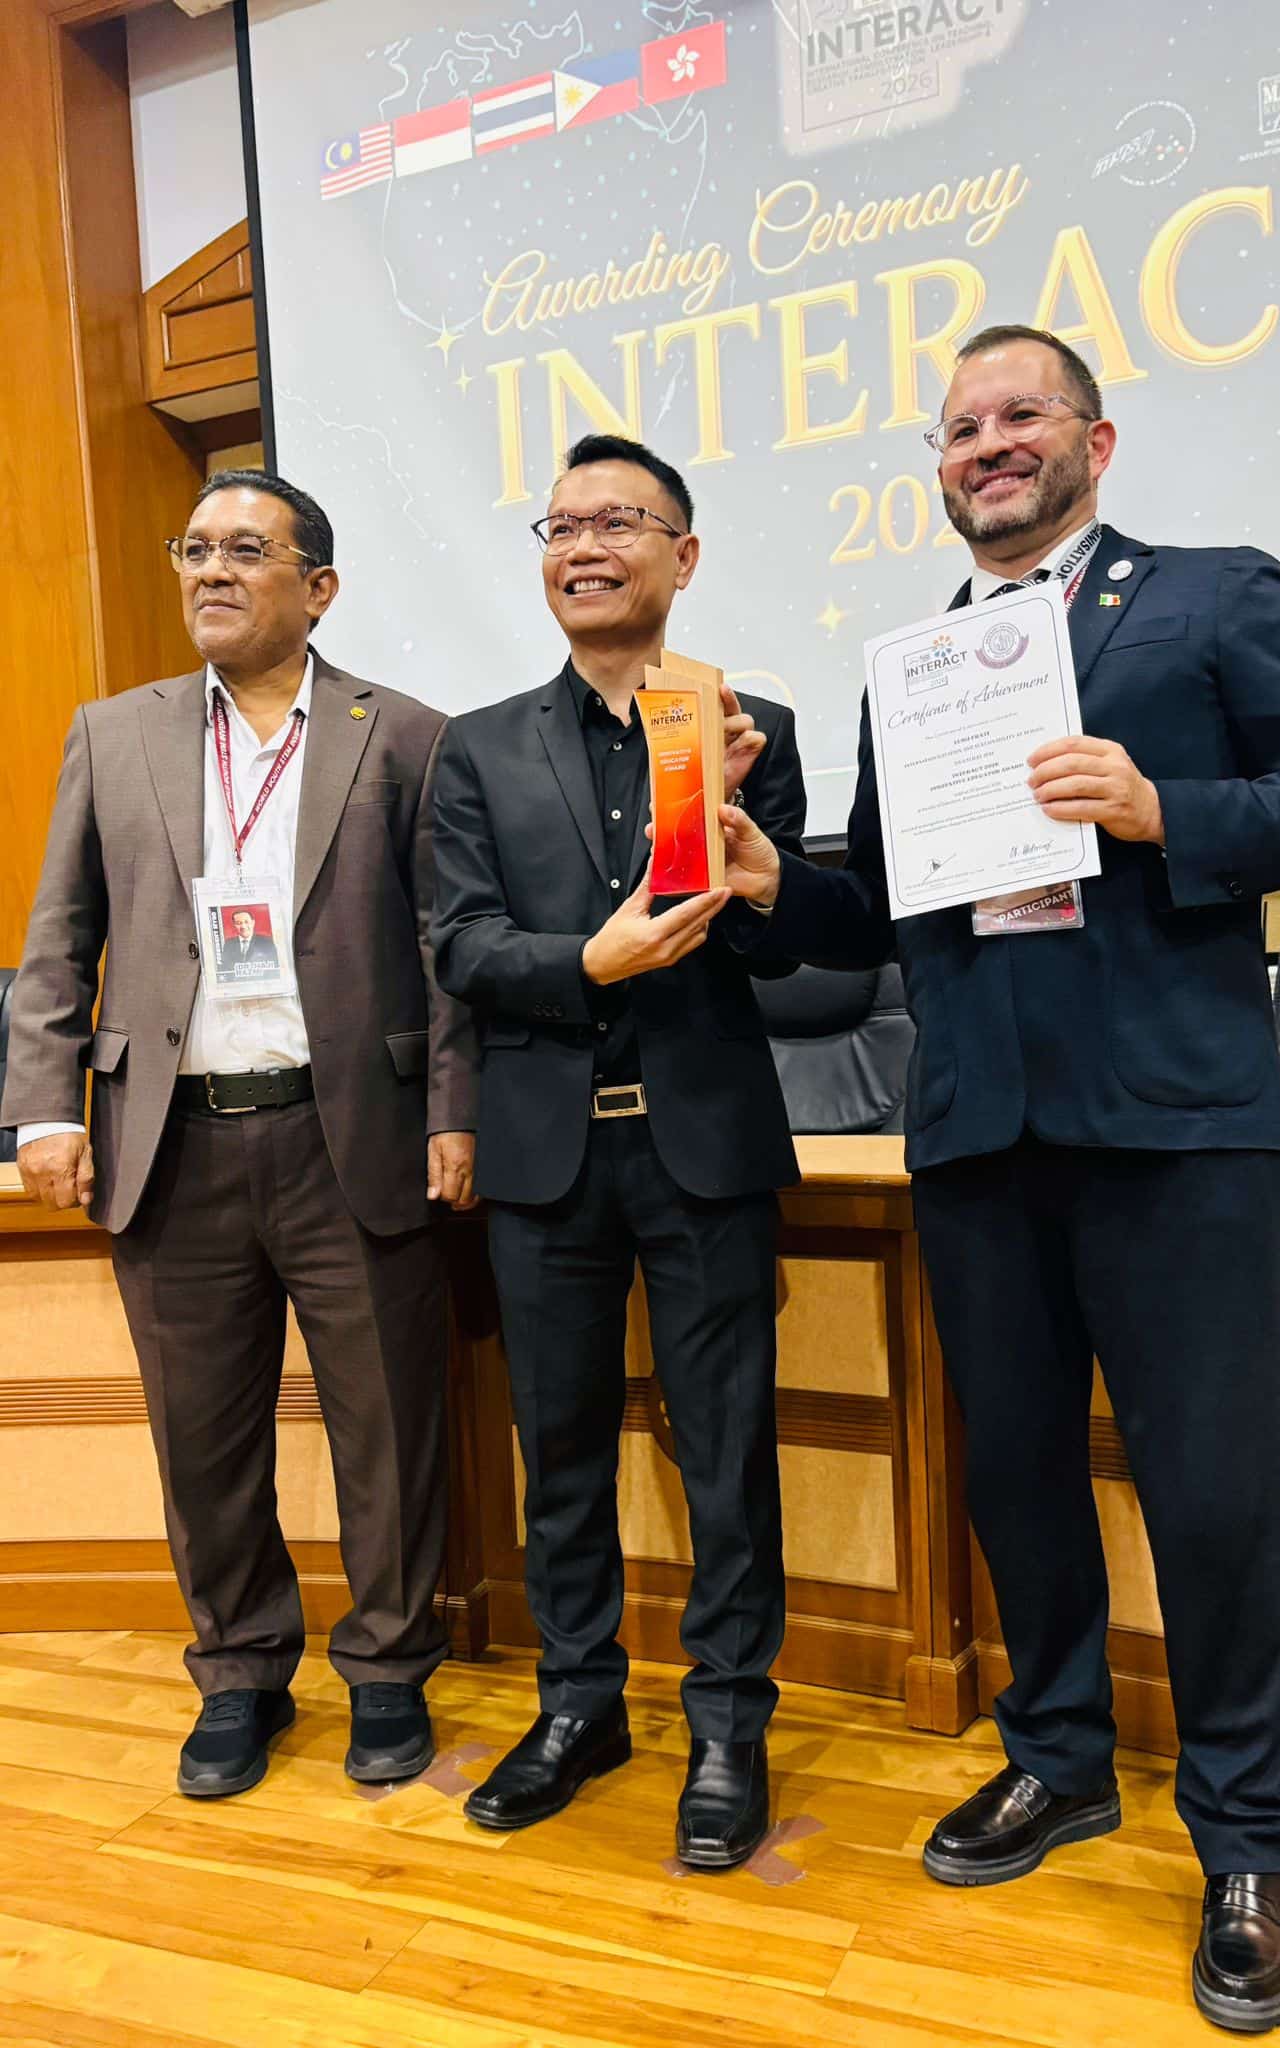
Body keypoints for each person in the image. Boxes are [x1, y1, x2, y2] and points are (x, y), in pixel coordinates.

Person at [714, 327, 1280, 2030]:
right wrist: (770, 880)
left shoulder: (1211, 593)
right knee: (1017, 1480)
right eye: (959, 428)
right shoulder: (915, 668)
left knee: (1214, 1502)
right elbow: (884, 906)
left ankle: (1248, 1841)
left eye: (1019, 414)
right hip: (977, 1136)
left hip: (1175, 1131)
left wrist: (1167, 807)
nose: (987, 444)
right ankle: (1060, 1755)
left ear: (1097, 439)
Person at [2, 470, 478, 1799]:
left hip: (352, 1136)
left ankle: (387, 1666)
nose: (211, 570)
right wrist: (43, 1105)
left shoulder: (406, 736)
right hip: (173, 1144)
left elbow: (446, 952)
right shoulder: (116, 734)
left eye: (247, 550)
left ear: (317, 588)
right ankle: (240, 1670)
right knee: (201, 1436)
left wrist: (455, 1110)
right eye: (195, 548)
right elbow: (59, 937)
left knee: (389, 1426)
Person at [431, 434, 805, 1868]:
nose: (583, 546)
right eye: (561, 525)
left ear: (682, 556)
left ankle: (728, 1724)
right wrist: (586, 960)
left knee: (727, 1450)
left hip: (703, 1141)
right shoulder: (477, 746)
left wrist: (752, 864)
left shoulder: (744, 721)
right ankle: (579, 1705)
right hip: (544, 1157)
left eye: (619, 521)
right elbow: (460, 944)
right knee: (561, 1449)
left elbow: (779, 948)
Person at [217, 907, 280, 979]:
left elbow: (274, 967)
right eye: (238, 923)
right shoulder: (228, 944)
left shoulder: (266, 942)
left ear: (253, 923)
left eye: (246, 922)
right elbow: (225, 968)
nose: (243, 926)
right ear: (234, 925)